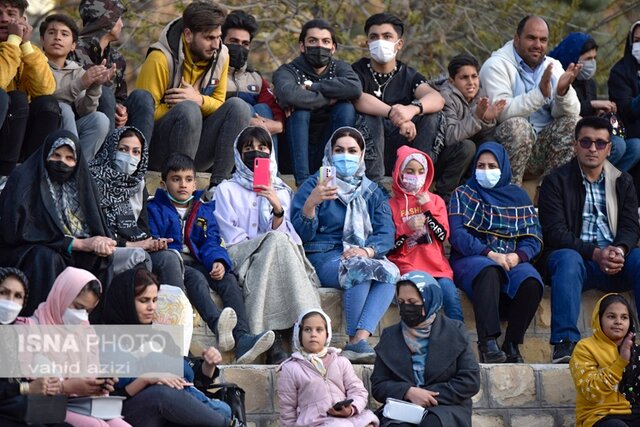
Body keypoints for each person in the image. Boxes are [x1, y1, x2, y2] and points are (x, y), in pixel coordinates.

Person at [147, 152, 275, 364]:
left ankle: (242, 337)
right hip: (175, 263)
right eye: (175, 179)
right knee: (196, 279)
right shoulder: (154, 208)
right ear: (163, 183)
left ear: (195, 182)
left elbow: (211, 241)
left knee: (228, 279)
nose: (182, 185)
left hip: (199, 261)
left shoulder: (203, 208)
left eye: (188, 179)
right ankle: (218, 324)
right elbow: (153, 238)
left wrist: (217, 261)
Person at [291, 126, 399, 363]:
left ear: (361, 155)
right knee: (358, 267)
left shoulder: (372, 190)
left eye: (352, 150)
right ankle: (354, 341)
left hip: (361, 253)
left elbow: (386, 232)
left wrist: (367, 250)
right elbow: (301, 235)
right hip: (324, 254)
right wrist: (311, 204)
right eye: (339, 150)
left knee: (390, 271)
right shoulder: (315, 184)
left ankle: (359, 338)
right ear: (330, 152)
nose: (345, 155)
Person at [214, 126, 321, 364]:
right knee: (274, 243)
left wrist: (276, 207)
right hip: (241, 255)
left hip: (275, 255)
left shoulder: (282, 191)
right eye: (248, 148)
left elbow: (290, 238)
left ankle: (273, 342)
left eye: (262, 147)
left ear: (271, 153)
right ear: (238, 153)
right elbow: (231, 236)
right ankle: (305, 325)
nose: (255, 152)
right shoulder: (225, 189)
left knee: (277, 244)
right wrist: (265, 243)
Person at [538, 116, 640, 364]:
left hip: (616, 261)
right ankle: (565, 343)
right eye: (585, 142)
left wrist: (621, 249)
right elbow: (555, 232)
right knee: (568, 259)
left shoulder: (623, 181)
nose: (592, 148)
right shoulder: (555, 182)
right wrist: (595, 253)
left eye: (600, 143)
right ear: (575, 145)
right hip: (578, 262)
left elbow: (630, 226)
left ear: (609, 148)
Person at [136, 0, 251, 189]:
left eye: (218, 37)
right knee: (188, 110)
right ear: (188, 35)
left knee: (239, 107)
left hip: (198, 149)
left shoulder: (222, 55)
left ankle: (217, 187)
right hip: (162, 151)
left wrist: (198, 99)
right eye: (209, 38)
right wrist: (182, 106)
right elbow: (146, 115)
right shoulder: (159, 59)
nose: (216, 44)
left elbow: (219, 103)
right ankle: (180, 185)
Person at [352, 13, 468, 197]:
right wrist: (394, 115)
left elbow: (436, 98)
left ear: (399, 44)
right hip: (369, 151)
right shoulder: (356, 71)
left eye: (387, 36)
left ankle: (418, 181)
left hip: (402, 149)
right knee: (369, 115)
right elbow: (358, 97)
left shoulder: (409, 75)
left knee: (433, 115)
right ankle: (374, 188)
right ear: (367, 43)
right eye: (374, 37)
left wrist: (410, 110)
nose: (380, 41)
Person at [0, 130, 114, 316]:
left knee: (102, 259)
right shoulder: (24, 178)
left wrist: (102, 243)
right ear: (46, 155)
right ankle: (41, 322)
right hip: (25, 250)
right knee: (46, 257)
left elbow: (96, 225)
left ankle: (90, 329)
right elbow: (16, 231)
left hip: (68, 251)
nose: (62, 162)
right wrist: (76, 244)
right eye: (56, 155)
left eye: (70, 158)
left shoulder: (82, 183)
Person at [448, 142, 544, 363]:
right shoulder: (463, 194)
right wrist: (490, 253)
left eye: (492, 166)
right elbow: (458, 234)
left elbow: (533, 236)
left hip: (512, 257)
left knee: (531, 281)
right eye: (481, 165)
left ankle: (512, 343)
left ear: (503, 167)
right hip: (472, 257)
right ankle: (488, 342)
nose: (486, 171)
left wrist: (517, 256)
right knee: (489, 271)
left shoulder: (519, 197)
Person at [104, 266, 231, 427]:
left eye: (154, 300)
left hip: (172, 414)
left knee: (214, 408)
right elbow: (106, 397)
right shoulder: (106, 341)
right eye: (144, 300)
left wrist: (209, 364)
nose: (151, 307)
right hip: (127, 415)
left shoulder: (160, 337)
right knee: (161, 394)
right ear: (125, 301)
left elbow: (194, 381)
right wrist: (146, 379)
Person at [16, 267, 130, 427]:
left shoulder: (86, 331)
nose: (82, 316)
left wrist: (99, 386)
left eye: (88, 311)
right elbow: (23, 386)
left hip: (83, 404)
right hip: (45, 406)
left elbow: (90, 373)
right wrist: (66, 387)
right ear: (61, 296)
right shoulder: (29, 328)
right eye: (77, 307)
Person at [478, 15, 581, 186]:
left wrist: (563, 93)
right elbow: (502, 112)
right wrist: (540, 94)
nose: (538, 45)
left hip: (540, 148)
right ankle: (511, 196)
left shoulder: (552, 66)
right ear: (517, 38)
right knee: (517, 127)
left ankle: (550, 193)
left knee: (576, 124)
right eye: (531, 38)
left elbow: (570, 114)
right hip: (503, 148)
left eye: (543, 40)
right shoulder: (495, 65)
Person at [371, 272, 480, 427]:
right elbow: (379, 385)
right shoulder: (390, 336)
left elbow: (470, 381)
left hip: (446, 407)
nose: (406, 307)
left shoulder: (455, 331)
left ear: (430, 300)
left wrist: (427, 396)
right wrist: (408, 392)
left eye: (413, 302)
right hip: (403, 407)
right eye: (401, 302)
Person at [273, 18, 362, 186]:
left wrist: (312, 87)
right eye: (312, 41)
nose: (319, 46)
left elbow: (354, 88)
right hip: (295, 151)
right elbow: (288, 95)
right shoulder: (288, 71)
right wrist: (330, 98)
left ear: (333, 48)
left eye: (326, 41)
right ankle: (303, 184)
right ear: (302, 46)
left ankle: (332, 179)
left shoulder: (340, 68)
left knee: (345, 108)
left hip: (329, 146)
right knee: (300, 111)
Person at [388, 146, 463, 321]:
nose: (416, 176)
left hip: (438, 268)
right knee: (418, 306)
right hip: (408, 267)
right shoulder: (391, 205)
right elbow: (391, 247)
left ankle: (459, 344)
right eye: (410, 171)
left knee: (452, 299)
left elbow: (443, 235)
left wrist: (428, 208)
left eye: (421, 171)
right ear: (399, 172)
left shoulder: (435, 200)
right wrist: (407, 228)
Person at [551, 32, 640, 172]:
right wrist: (593, 105)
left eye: (594, 58)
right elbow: (561, 109)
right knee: (617, 146)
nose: (592, 63)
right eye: (587, 59)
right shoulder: (558, 78)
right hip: (573, 136)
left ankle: (608, 182)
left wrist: (598, 113)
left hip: (591, 132)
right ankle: (585, 178)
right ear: (574, 57)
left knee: (636, 147)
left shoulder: (589, 83)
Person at [277, 309, 379, 426]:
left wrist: (351, 409)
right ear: (299, 335)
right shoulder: (291, 369)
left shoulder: (341, 362)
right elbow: (287, 409)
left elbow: (358, 391)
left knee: (370, 423)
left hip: (349, 417)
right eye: (307, 330)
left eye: (319, 330)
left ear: (327, 334)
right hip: (316, 422)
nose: (313, 334)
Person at [72, 0, 155, 143]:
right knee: (104, 93)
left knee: (143, 97)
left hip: (114, 124)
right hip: (84, 121)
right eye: (118, 18)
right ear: (107, 21)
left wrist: (121, 111)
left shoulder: (117, 58)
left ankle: (138, 157)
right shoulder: (73, 50)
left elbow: (120, 97)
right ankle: (106, 158)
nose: (122, 24)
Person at [0, 0, 59, 190]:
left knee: (48, 104)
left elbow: (46, 90)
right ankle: (5, 176)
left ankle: (33, 177)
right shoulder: (10, 46)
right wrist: (13, 42)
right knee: (15, 99)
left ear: (23, 21)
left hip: (20, 137)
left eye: (11, 14)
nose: (4, 20)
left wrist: (24, 44)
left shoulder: (31, 51)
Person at [0, 267, 70, 427]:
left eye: (18, 296)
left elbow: (16, 377)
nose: (10, 301)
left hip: (15, 405)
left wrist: (45, 385)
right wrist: (26, 388)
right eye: (3, 292)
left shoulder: (14, 333)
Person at [433, 53, 506, 200]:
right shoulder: (446, 97)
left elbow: (481, 133)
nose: (471, 82)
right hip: (444, 157)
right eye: (464, 78)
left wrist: (487, 119)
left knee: (489, 143)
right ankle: (444, 195)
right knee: (467, 146)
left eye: (474, 76)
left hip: (465, 155)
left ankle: (474, 191)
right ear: (452, 81)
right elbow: (450, 137)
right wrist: (477, 116)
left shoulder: (480, 94)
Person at [40, 13, 110, 160]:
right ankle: (70, 162)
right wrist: (81, 83)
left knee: (100, 119)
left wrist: (95, 86)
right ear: (42, 40)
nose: (57, 37)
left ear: (73, 45)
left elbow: (85, 111)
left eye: (64, 34)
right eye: (52, 33)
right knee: (63, 108)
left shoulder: (77, 70)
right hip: (39, 128)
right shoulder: (35, 64)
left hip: (67, 129)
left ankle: (79, 170)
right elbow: (45, 100)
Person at [570, 293, 640, 427]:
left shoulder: (635, 350)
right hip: (598, 416)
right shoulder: (585, 348)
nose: (618, 322)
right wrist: (620, 362)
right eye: (611, 316)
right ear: (599, 319)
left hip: (631, 411)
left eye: (624, 317)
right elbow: (591, 392)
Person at [221, 10, 284, 147]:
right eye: (234, 41)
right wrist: (246, 120)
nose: (239, 47)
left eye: (245, 44)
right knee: (245, 107)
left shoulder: (256, 78)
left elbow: (274, 107)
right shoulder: (210, 74)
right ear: (222, 41)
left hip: (250, 140)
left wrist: (278, 124)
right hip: (219, 140)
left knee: (263, 108)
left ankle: (267, 168)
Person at [609, 20, 640, 193]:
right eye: (636, 40)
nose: (639, 45)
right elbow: (628, 110)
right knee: (636, 147)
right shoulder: (620, 71)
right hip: (629, 131)